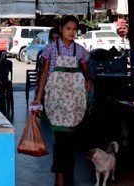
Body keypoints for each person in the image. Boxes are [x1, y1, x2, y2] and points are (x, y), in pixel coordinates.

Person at [31, 15, 93, 186]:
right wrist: (38, 97)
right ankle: (59, 174)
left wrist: (88, 79)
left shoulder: (80, 50)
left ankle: (67, 171)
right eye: (68, 28)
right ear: (60, 29)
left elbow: (86, 71)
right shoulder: (50, 49)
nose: (71, 32)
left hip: (73, 100)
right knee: (60, 139)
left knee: (69, 139)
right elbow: (44, 74)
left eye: (74, 29)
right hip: (56, 100)